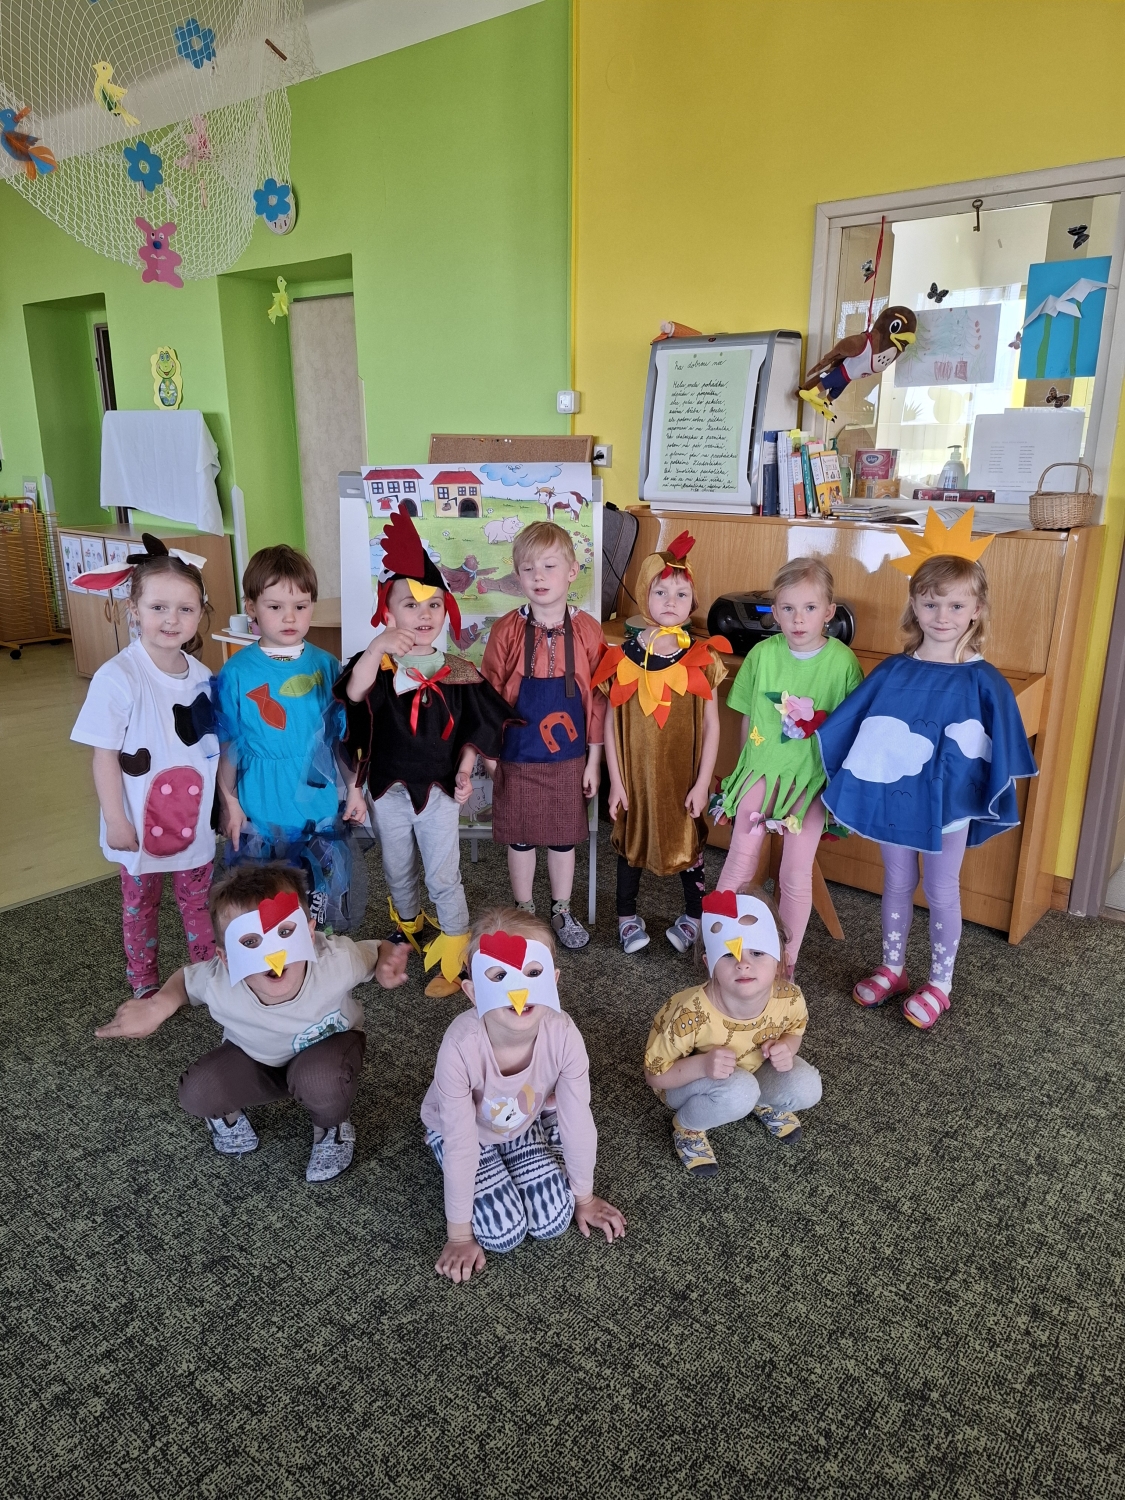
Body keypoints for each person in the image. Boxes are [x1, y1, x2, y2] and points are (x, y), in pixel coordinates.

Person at [816, 513, 1038, 1030]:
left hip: (949, 804)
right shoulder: (895, 669)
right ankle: (893, 968)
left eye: (956, 605)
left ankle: (940, 983)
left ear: (977, 609)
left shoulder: (985, 680)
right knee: (897, 880)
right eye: (931, 602)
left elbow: (997, 744)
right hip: (897, 800)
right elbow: (857, 724)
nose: (943, 615)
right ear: (914, 604)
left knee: (941, 888)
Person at [95, 864, 385, 1182]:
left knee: (319, 1078)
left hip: (327, 1049)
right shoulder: (220, 979)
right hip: (258, 1059)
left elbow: (375, 951)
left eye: (285, 933)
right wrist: (158, 1005)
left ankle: (331, 1127)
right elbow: (187, 982)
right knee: (198, 1092)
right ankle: (227, 1116)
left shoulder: (336, 960)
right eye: (250, 942)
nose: (274, 955)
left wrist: (388, 962)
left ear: (309, 933)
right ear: (226, 958)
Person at [338, 508, 512, 997]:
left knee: (442, 872)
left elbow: (474, 728)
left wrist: (465, 771)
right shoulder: (376, 665)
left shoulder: (458, 669)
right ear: (388, 612)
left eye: (434, 604)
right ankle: (409, 925)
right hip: (387, 790)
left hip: (438, 792)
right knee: (397, 868)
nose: (424, 615)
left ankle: (455, 950)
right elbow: (353, 694)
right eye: (411, 605)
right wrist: (377, 648)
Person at [421, 908, 627, 1283]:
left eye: (533, 973)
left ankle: (537, 1127)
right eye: (499, 976)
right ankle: (534, 1131)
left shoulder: (563, 1033)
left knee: (553, 1219)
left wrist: (584, 1197)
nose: (519, 990)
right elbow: (461, 1144)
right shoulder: (460, 1047)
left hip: (520, 1118)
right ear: (472, 993)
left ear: (553, 980)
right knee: (502, 1233)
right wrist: (459, 1235)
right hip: (462, 1131)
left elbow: (579, 1120)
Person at [71, 534, 219, 998]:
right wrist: (116, 820)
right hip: (137, 825)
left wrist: (225, 808)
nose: (172, 619)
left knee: (199, 903)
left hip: (193, 823)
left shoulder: (203, 677)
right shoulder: (118, 677)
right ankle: (144, 982)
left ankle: (210, 980)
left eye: (185, 609)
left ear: (200, 612)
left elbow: (210, 751)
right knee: (140, 905)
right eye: (158, 607)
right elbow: (103, 755)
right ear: (133, 609)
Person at [715, 557, 863, 977]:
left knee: (795, 873)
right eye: (788, 608)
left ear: (829, 612)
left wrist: (838, 789)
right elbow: (747, 717)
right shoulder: (762, 654)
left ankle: (786, 961)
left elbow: (851, 730)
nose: (799, 619)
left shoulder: (843, 663)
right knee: (740, 861)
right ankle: (722, 947)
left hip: (810, 784)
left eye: (810, 608)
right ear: (774, 612)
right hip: (759, 774)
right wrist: (743, 775)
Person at [593, 532, 730, 954]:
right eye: (661, 591)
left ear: (693, 601)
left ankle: (694, 916)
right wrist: (616, 782)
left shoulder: (703, 659)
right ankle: (626, 917)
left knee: (689, 840)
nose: (671, 600)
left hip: (682, 776)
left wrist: (703, 783)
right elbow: (610, 726)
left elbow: (712, 727)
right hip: (634, 778)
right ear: (643, 595)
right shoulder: (620, 659)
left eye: (681, 593)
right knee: (630, 839)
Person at [214, 545, 363, 932]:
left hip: (317, 806)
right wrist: (229, 802)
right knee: (264, 899)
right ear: (251, 607)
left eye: (301, 605)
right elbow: (229, 746)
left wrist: (354, 788)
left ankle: (319, 950)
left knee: (318, 895)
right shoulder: (236, 671)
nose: (290, 617)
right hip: (262, 805)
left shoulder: (326, 666)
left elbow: (339, 739)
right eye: (275, 606)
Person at [481, 520, 606, 950]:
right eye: (528, 568)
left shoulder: (589, 630)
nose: (539, 577)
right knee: (519, 837)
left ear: (571, 572)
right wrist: (490, 755)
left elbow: (598, 701)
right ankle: (524, 911)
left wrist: (593, 761)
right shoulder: (506, 631)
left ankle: (561, 908)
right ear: (517, 575)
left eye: (550, 566)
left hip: (569, 756)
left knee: (562, 836)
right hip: (516, 753)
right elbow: (489, 695)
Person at [643, 887, 822, 1177]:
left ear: (780, 959)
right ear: (709, 964)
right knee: (740, 1091)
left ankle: (761, 1101)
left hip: (751, 1070)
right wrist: (703, 1064)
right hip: (683, 1084)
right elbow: (655, 1075)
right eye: (728, 954)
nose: (743, 963)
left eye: (757, 952)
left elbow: (795, 1030)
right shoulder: (690, 1013)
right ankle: (687, 1127)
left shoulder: (789, 998)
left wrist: (788, 1048)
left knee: (807, 1086)